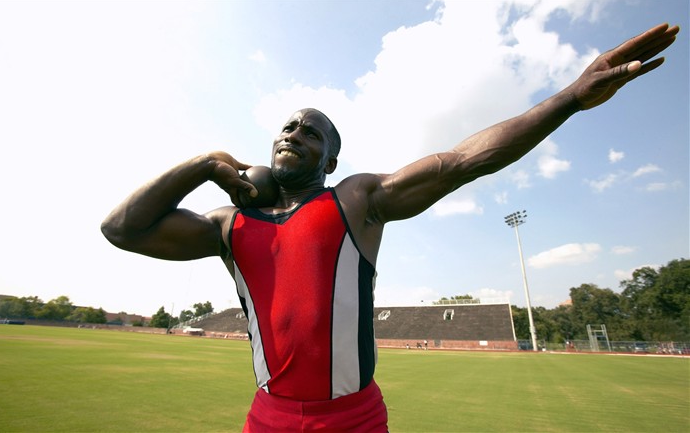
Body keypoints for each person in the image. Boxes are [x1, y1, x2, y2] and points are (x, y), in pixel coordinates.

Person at [101, 24, 678, 432]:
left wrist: (572, 97)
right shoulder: (229, 224)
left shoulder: (356, 200)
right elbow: (122, 229)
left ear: (329, 161)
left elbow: (460, 161)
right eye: (288, 126)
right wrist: (206, 164)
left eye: (312, 133)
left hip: (353, 420)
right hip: (267, 417)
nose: (295, 133)